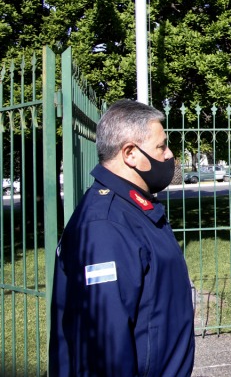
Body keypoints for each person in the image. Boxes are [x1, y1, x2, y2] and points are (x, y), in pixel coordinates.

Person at [49, 99, 195, 376]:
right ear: (130, 153)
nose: (168, 155)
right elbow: (105, 351)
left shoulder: (134, 209)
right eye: (161, 146)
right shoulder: (105, 226)